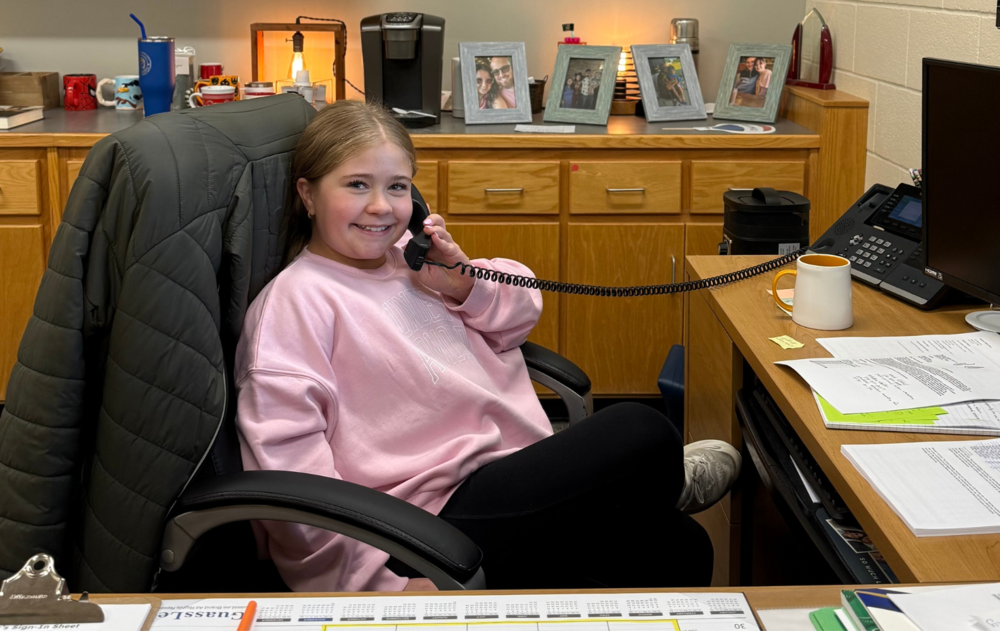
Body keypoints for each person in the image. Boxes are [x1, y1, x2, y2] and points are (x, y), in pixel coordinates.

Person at [235, 100, 741, 593]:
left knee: (682, 548)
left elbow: (521, 315)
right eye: (356, 185)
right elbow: (291, 475)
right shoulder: (295, 306)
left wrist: (463, 282)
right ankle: (649, 485)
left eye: (397, 187)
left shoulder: (416, 262)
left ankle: (634, 491)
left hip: (509, 471)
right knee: (643, 431)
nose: (381, 206)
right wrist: (375, 587)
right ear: (307, 194)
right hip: (420, 522)